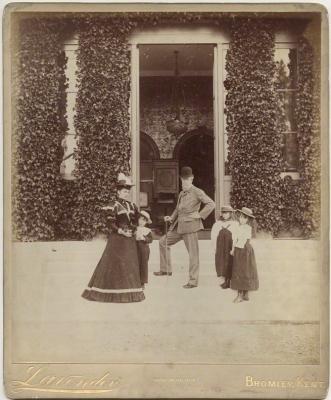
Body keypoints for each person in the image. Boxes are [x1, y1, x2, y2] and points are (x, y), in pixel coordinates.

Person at [81, 173, 145, 303]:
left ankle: (131, 293)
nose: (126, 194)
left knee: (128, 264)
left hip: (129, 239)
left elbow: (136, 219)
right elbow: (110, 223)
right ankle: (109, 293)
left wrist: (135, 228)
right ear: (118, 192)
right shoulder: (113, 205)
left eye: (127, 192)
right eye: (124, 192)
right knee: (114, 264)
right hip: (117, 238)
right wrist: (121, 231)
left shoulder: (131, 205)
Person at [154, 166, 215, 288]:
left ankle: (193, 281)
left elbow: (211, 204)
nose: (185, 182)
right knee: (163, 242)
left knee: (193, 255)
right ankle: (166, 269)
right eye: (183, 180)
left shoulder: (197, 192)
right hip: (179, 226)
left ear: (192, 179)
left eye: (187, 179)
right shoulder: (182, 193)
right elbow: (177, 209)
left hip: (191, 228)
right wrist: (171, 218)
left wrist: (199, 215)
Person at [230, 207, 259, 303]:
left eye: (245, 218)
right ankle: (241, 293)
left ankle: (243, 294)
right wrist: (233, 249)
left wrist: (243, 252)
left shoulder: (248, 228)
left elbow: (245, 240)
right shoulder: (237, 227)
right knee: (238, 270)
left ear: (248, 220)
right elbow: (235, 239)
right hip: (238, 249)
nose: (242, 219)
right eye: (241, 217)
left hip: (245, 250)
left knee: (244, 270)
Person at [211, 205, 239, 288]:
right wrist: (215, 246)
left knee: (229, 261)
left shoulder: (235, 224)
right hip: (220, 245)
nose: (224, 215)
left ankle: (228, 280)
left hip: (229, 245)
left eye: (226, 213)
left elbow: (235, 235)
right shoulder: (218, 224)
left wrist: (233, 247)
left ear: (230, 213)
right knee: (221, 260)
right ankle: (224, 278)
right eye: (223, 213)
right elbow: (214, 235)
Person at [136, 210, 153, 290]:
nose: (142, 222)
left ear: (146, 222)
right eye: (141, 219)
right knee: (136, 263)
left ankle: (142, 282)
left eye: (144, 220)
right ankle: (136, 281)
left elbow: (150, 239)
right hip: (136, 248)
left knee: (143, 264)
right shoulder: (135, 229)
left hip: (144, 249)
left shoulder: (147, 230)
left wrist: (144, 238)